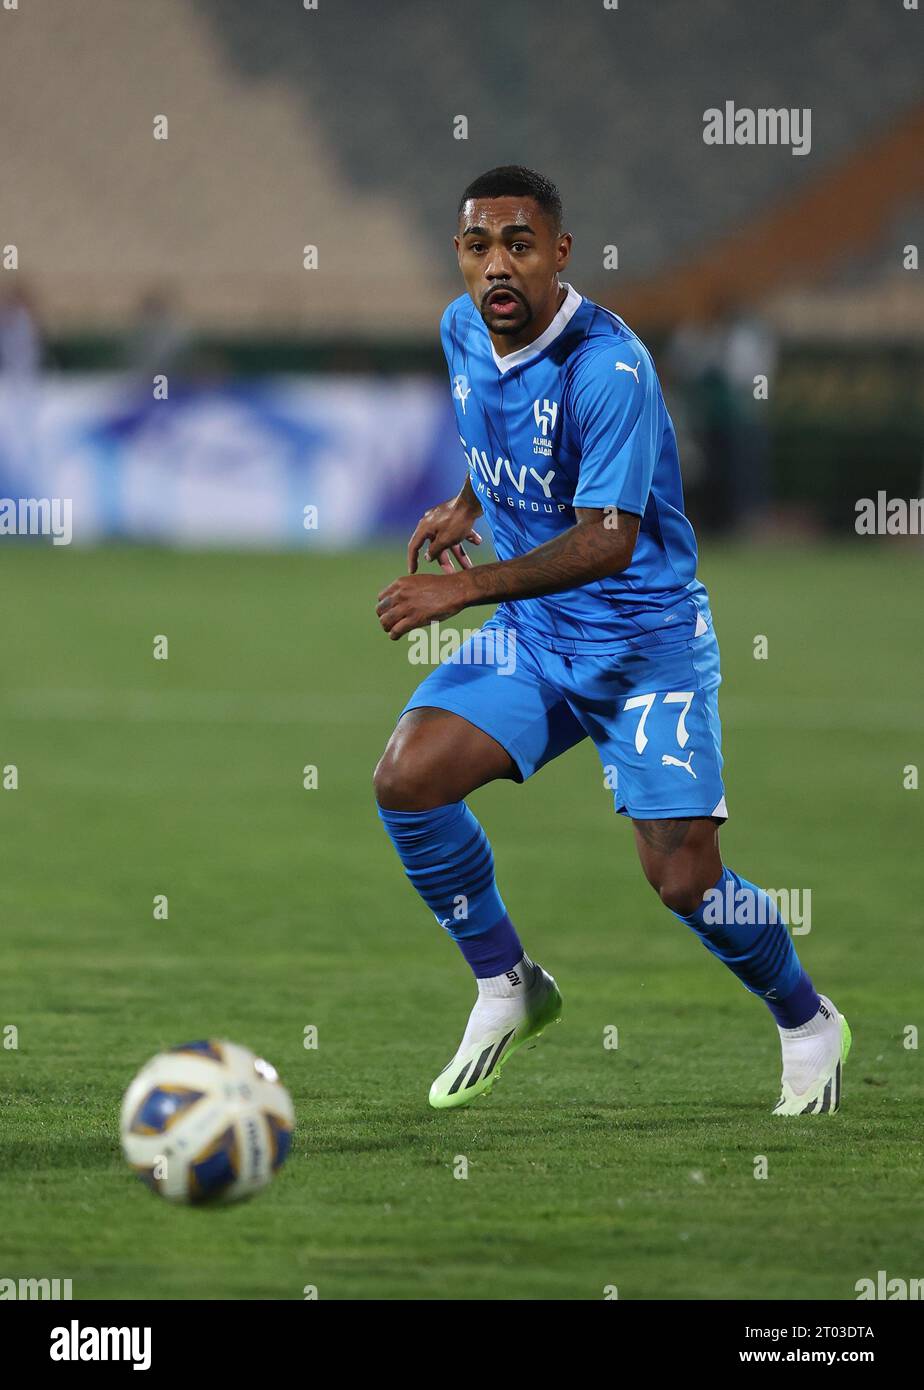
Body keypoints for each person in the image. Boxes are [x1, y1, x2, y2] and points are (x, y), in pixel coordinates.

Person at [374, 166, 849, 1115]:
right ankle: (508, 986)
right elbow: (496, 429)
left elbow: (607, 538)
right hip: (539, 634)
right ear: (460, 256)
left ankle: (807, 1021)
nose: (497, 266)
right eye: (478, 246)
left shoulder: (610, 366)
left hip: (643, 644)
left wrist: (463, 588)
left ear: (560, 253)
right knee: (409, 779)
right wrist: (472, 501)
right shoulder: (462, 328)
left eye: (518, 244)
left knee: (681, 877)